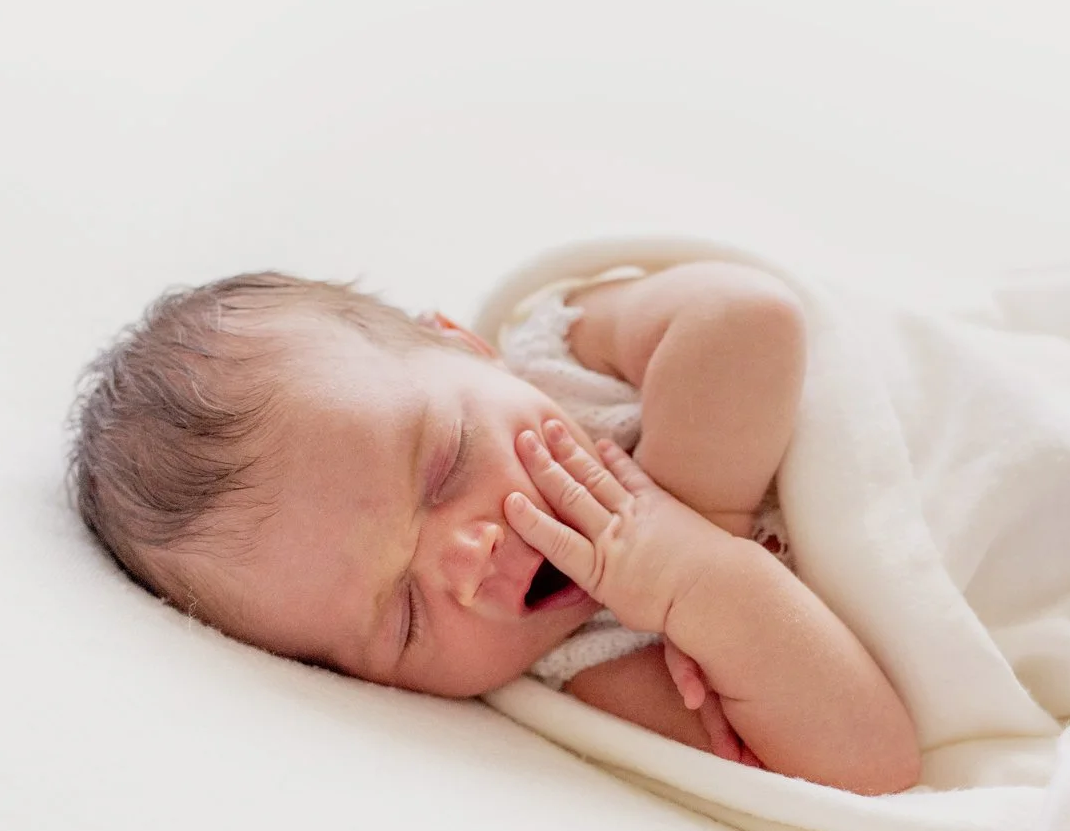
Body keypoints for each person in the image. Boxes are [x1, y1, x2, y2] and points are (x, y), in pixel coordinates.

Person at [67, 262, 924, 796]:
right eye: (404, 615)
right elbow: (870, 761)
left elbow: (752, 315)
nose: (468, 561)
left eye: (444, 465)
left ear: (467, 349)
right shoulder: (592, 666)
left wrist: (693, 519)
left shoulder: (567, 354)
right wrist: (695, 588)